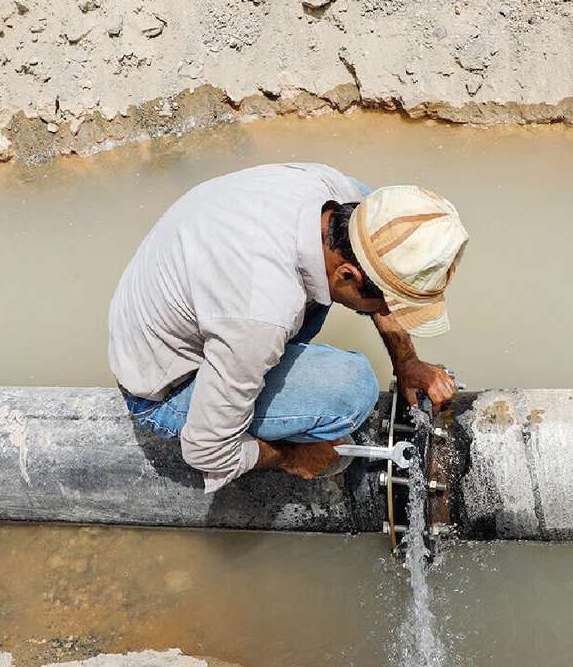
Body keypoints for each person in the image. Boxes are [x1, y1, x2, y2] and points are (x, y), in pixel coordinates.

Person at [107, 163, 469, 492]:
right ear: (348, 274)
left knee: (363, 194)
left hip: (191, 297)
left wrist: (406, 362)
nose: (393, 315)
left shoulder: (339, 197)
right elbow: (206, 451)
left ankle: (243, 373)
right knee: (351, 390)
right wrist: (292, 457)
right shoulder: (259, 312)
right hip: (166, 385)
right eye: (390, 305)